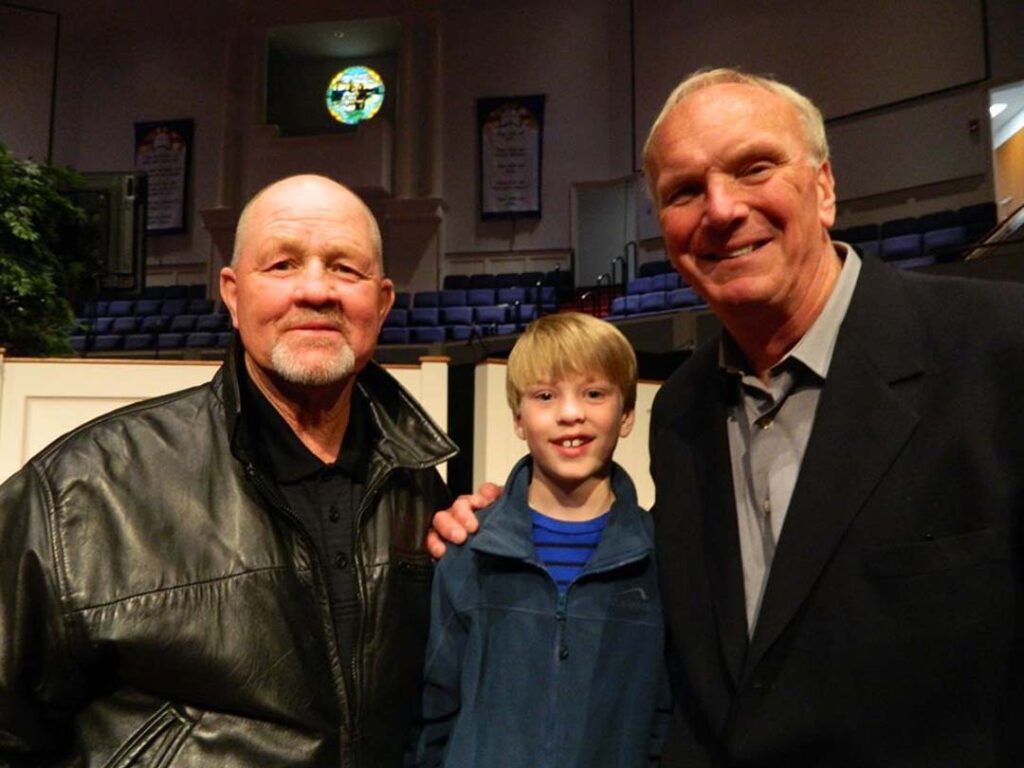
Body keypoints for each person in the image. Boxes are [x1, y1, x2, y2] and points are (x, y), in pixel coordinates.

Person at [433, 69, 1024, 766]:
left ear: (825, 187)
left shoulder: (998, 347)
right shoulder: (681, 411)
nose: (719, 209)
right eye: (684, 190)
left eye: (755, 168)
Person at [0, 174, 455, 767]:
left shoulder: (420, 489)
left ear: (383, 302)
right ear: (233, 295)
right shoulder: (79, 491)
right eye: (283, 264)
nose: (317, 290)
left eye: (346, 269)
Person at [415, 312, 668, 767]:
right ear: (517, 418)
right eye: (546, 395)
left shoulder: (661, 558)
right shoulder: (468, 551)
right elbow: (433, 713)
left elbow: (664, 720)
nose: (571, 414)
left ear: (627, 415)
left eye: (594, 393)